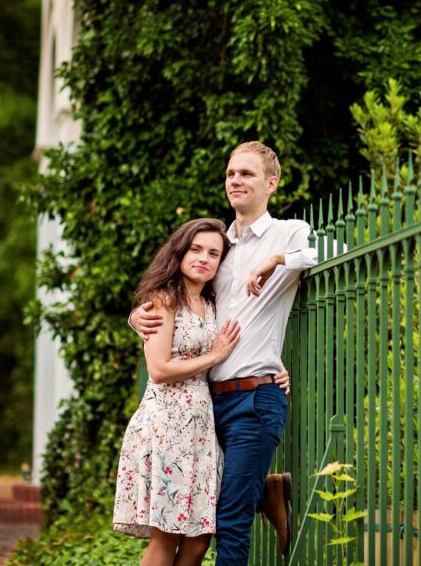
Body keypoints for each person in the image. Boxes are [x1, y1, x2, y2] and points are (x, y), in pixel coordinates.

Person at [131, 141, 317, 564]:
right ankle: (267, 492)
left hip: (256, 397)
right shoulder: (218, 247)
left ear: (271, 183)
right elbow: (182, 300)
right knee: (208, 516)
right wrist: (136, 317)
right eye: (231, 173)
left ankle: (261, 492)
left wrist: (277, 259)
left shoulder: (288, 232)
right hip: (206, 403)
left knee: (229, 519)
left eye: (247, 174)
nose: (236, 180)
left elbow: (335, 251)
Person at [113, 217, 240, 566]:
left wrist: (277, 368)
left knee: (199, 539)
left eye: (213, 253)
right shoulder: (164, 300)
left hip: (200, 428)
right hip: (166, 426)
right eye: (196, 249)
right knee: (166, 537)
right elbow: (159, 371)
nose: (204, 258)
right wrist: (213, 355)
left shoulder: (213, 305)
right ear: (180, 253)